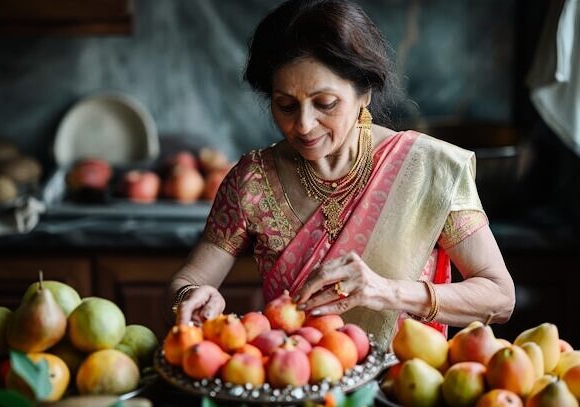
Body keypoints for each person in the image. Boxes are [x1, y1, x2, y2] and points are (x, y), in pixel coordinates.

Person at [167, 0, 515, 347]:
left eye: (325, 104)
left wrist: (386, 292)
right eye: (285, 105)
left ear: (364, 92)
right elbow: (192, 277)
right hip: (297, 381)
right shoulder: (253, 180)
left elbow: (499, 298)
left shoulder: (429, 169)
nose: (303, 125)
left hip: (401, 388)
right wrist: (192, 296)